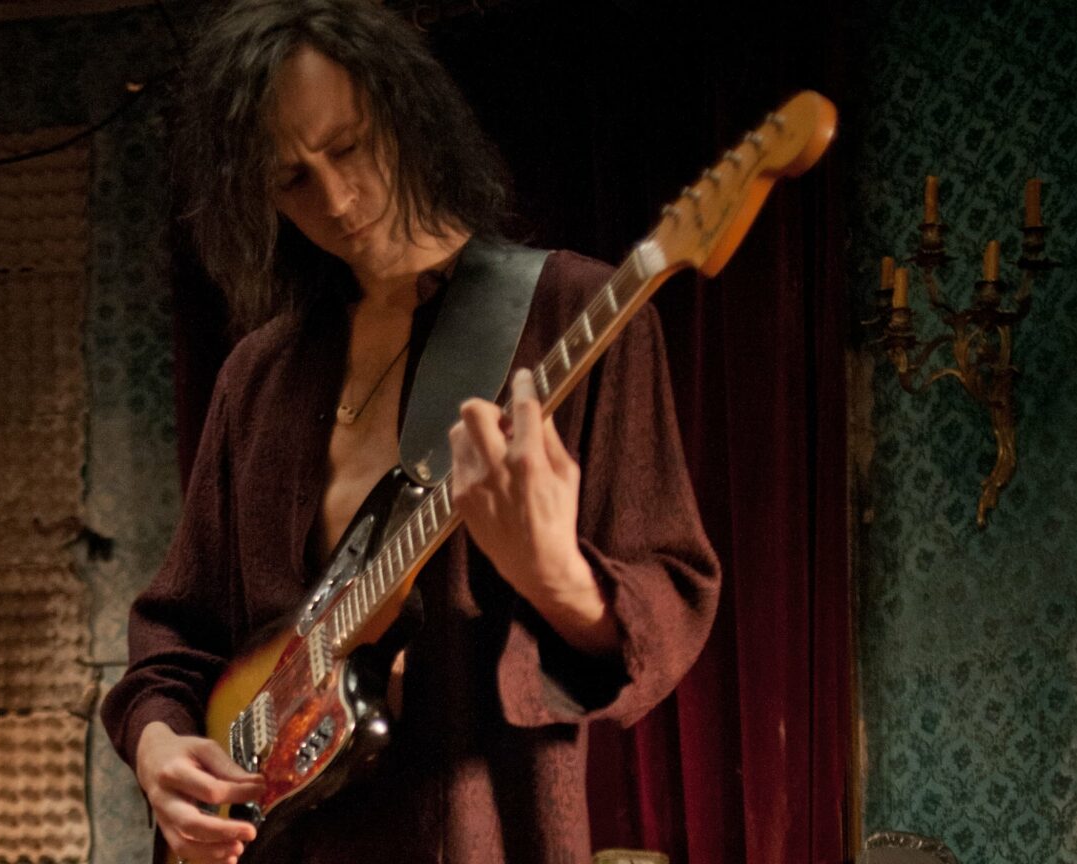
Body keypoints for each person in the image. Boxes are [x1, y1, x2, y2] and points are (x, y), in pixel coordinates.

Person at [100, 1, 720, 862]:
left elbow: (670, 596)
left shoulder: (574, 316)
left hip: (473, 836)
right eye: (291, 180)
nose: (335, 198)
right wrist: (158, 747)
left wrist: (558, 579)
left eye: (349, 146)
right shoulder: (258, 374)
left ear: (407, 111)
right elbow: (177, 630)